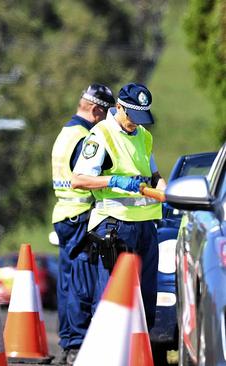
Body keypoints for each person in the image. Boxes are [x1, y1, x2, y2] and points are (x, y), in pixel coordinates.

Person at [71, 83, 166, 339]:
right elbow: (78, 180)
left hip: (146, 226)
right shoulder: (101, 135)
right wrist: (114, 181)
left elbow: (154, 176)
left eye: (141, 118)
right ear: (118, 107)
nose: (135, 123)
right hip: (115, 228)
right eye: (131, 117)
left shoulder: (144, 136)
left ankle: (136, 354)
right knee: (112, 298)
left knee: (145, 300)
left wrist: (166, 192)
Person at [51, 83, 115, 365]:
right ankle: (77, 343)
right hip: (79, 214)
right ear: (95, 109)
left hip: (65, 213)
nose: (106, 119)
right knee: (81, 282)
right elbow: (87, 175)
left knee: (68, 282)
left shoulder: (67, 132)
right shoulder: (84, 137)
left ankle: (68, 342)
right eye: (105, 112)